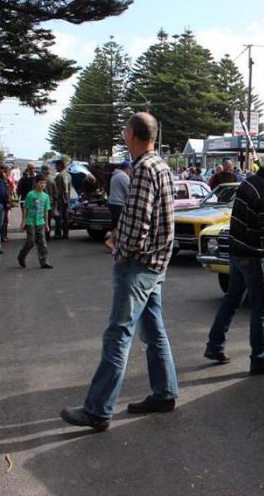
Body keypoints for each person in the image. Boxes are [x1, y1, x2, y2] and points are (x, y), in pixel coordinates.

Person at [61, 113, 179, 431]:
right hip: (154, 264)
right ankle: (165, 393)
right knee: (154, 332)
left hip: (139, 265)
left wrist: (120, 251)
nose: (123, 134)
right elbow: (154, 219)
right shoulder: (161, 167)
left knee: (118, 335)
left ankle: (98, 410)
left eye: (125, 130)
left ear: (132, 134)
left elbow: (140, 223)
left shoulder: (143, 169)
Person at [204, 145, 264, 374]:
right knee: (261, 309)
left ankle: (214, 346)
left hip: (237, 254)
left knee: (231, 300)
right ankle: (260, 358)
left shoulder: (249, 183)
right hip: (252, 257)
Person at [18, 175, 52, 269]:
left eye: (44, 183)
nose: (43, 185)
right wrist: (23, 222)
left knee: (43, 243)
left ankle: (44, 261)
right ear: (36, 183)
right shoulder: (31, 194)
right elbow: (26, 208)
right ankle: (21, 257)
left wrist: (47, 224)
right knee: (31, 241)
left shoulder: (45, 196)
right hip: (30, 222)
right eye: (41, 183)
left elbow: (46, 210)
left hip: (40, 222)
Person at [105, 160, 131, 251]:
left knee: (116, 223)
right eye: (130, 169)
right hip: (119, 203)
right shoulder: (124, 177)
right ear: (127, 168)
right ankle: (110, 241)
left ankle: (116, 243)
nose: (130, 171)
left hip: (112, 203)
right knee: (120, 224)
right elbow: (129, 191)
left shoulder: (115, 176)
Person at [54, 160, 71, 239]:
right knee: (66, 217)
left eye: (56, 166)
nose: (55, 167)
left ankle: (58, 234)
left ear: (60, 166)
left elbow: (57, 190)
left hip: (60, 199)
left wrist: (55, 200)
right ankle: (66, 234)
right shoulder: (68, 175)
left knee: (58, 217)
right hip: (67, 199)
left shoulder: (59, 176)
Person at [41, 165, 57, 243]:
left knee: (41, 220)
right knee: (48, 220)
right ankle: (47, 236)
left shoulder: (40, 179)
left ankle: (42, 236)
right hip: (50, 203)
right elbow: (55, 193)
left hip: (41, 203)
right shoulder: (52, 179)